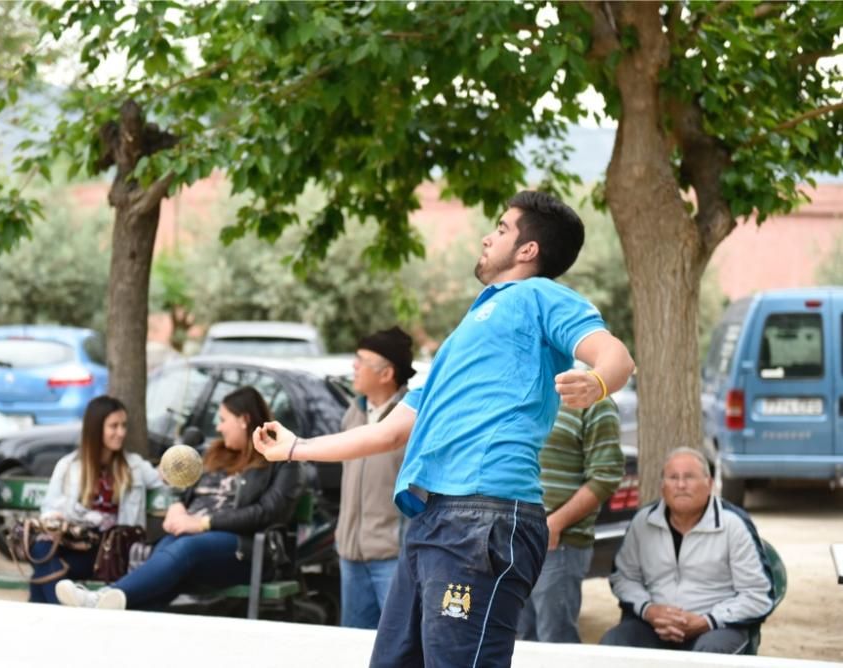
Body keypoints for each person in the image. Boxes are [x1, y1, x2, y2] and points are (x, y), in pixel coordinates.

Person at [254, 190, 635, 666]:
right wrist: (296, 447)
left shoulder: (541, 296)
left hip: (487, 514)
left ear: (527, 249)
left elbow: (615, 355)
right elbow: (391, 432)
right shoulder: (461, 338)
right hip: (431, 518)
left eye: (500, 228)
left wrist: (597, 381)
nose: (485, 236)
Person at [56, 386, 302, 610]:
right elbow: (183, 491)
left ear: (244, 420)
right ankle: (114, 611)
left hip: (244, 550)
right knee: (166, 553)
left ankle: (102, 597)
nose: (218, 427)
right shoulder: (214, 454)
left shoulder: (279, 460)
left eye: (223, 420)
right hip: (194, 541)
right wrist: (176, 507)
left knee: (184, 547)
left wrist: (204, 523)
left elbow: (268, 512)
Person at [600, 447, 775, 654]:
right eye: (673, 478)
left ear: (709, 484)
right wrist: (649, 610)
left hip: (716, 627)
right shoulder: (643, 523)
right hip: (655, 625)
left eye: (689, 477)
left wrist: (707, 620)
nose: (681, 485)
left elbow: (758, 594)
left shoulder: (733, 525)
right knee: (613, 645)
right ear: (662, 487)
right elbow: (623, 578)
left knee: (707, 655)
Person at [28, 395, 167, 603]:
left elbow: (163, 479)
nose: (121, 433)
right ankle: (69, 609)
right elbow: (48, 507)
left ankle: (60, 615)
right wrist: (55, 518)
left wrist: (179, 463)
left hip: (113, 554)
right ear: (95, 428)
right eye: (114, 426)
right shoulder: (69, 466)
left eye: (123, 425)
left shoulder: (134, 466)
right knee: (41, 549)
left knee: (41, 573)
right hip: (79, 544)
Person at [517, 399, 624, 643]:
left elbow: (606, 474)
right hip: (513, 539)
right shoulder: (520, 391)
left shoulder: (592, 399)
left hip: (559, 542)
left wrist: (555, 524)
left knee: (556, 643)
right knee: (519, 643)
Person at [338, 326, 417, 629]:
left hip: (393, 558)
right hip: (350, 555)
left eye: (362, 361)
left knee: (400, 647)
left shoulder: (412, 417)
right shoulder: (353, 413)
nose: (353, 367)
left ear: (386, 374)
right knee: (354, 648)